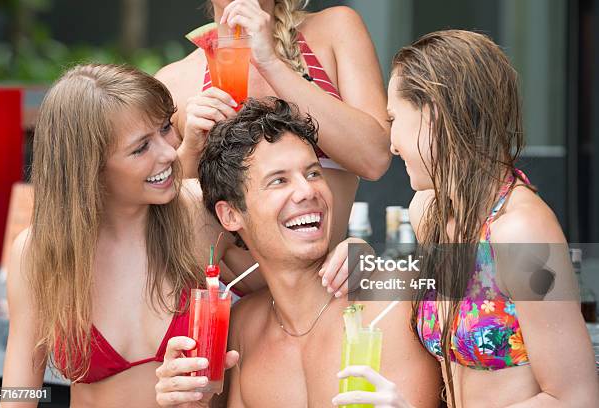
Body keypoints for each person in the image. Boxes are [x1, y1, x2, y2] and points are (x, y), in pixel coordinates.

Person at [0, 64, 352, 408]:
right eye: (141, 148)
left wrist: (364, 262)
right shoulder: (37, 253)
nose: (170, 152)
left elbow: (302, 280)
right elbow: (19, 393)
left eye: (166, 128)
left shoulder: (202, 213)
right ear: (90, 169)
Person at [332, 30, 599, 407]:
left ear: (432, 113)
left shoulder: (519, 232)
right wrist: (369, 263)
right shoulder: (430, 212)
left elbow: (576, 399)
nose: (391, 144)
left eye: (394, 119)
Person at [155, 97, 442, 407]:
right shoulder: (241, 329)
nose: (307, 191)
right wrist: (187, 404)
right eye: (279, 181)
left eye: (313, 173)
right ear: (230, 215)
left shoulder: (395, 298)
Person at [156, 0, 392, 283]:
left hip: (323, 290)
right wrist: (191, 149)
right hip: (228, 302)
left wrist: (271, 64)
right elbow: (160, 214)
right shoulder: (175, 81)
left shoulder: (334, 30)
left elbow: (374, 158)